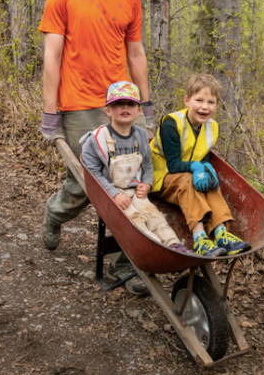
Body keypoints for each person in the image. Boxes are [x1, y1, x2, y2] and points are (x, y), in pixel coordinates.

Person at [38, 0, 153, 295]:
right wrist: (50, 111)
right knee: (91, 183)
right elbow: (52, 56)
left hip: (120, 101)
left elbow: (135, 53)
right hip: (78, 104)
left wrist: (146, 103)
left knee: (126, 179)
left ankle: (124, 263)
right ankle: (55, 212)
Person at [81, 82, 192, 257]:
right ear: (108, 110)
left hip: (135, 187)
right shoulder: (97, 140)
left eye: (131, 104)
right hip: (111, 192)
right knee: (134, 220)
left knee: (153, 215)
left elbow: (147, 163)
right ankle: (151, 249)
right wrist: (114, 195)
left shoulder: (140, 135)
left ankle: (173, 244)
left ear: (138, 110)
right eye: (118, 103)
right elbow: (93, 174)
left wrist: (147, 184)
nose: (125, 107)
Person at [150, 74, 251, 257]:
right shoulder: (172, 123)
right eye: (199, 100)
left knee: (211, 180)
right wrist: (197, 167)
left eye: (211, 102)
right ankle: (200, 239)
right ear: (187, 100)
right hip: (160, 178)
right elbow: (173, 165)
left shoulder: (212, 127)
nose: (205, 107)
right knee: (190, 180)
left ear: (217, 105)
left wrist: (206, 167)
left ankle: (221, 234)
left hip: (184, 174)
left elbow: (199, 154)